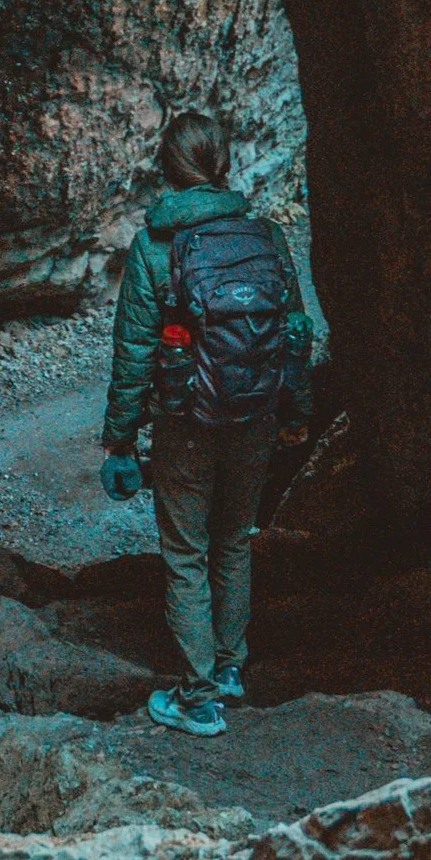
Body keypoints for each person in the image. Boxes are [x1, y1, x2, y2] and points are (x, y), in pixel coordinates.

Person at [100, 105, 313, 737]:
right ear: (224, 164)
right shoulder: (266, 238)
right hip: (253, 416)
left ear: (166, 168)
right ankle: (229, 668)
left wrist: (119, 440)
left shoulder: (153, 248)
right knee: (233, 539)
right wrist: (296, 414)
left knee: (186, 552)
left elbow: (135, 351)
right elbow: (293, 334)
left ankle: (197, 698)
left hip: (185, 419)